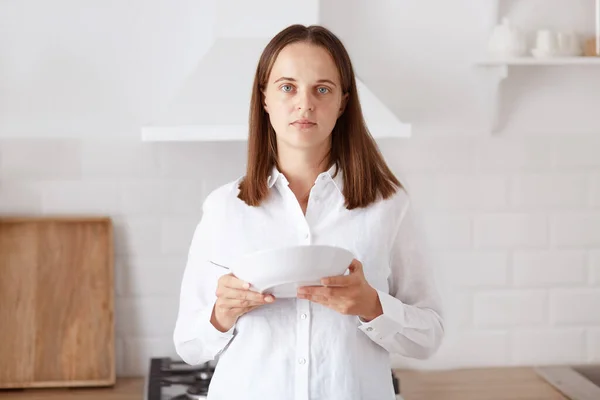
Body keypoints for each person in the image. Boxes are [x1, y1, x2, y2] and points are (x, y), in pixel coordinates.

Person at [173, 24, 444, 399]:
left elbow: (429, 335)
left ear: (343, 102)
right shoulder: (224, 208)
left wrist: (372, 305)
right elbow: (189, 343)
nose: (305, 103)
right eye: (287, 87)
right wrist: (222, 314)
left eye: (322, 89)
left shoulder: (388, 204)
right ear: (264, 98)